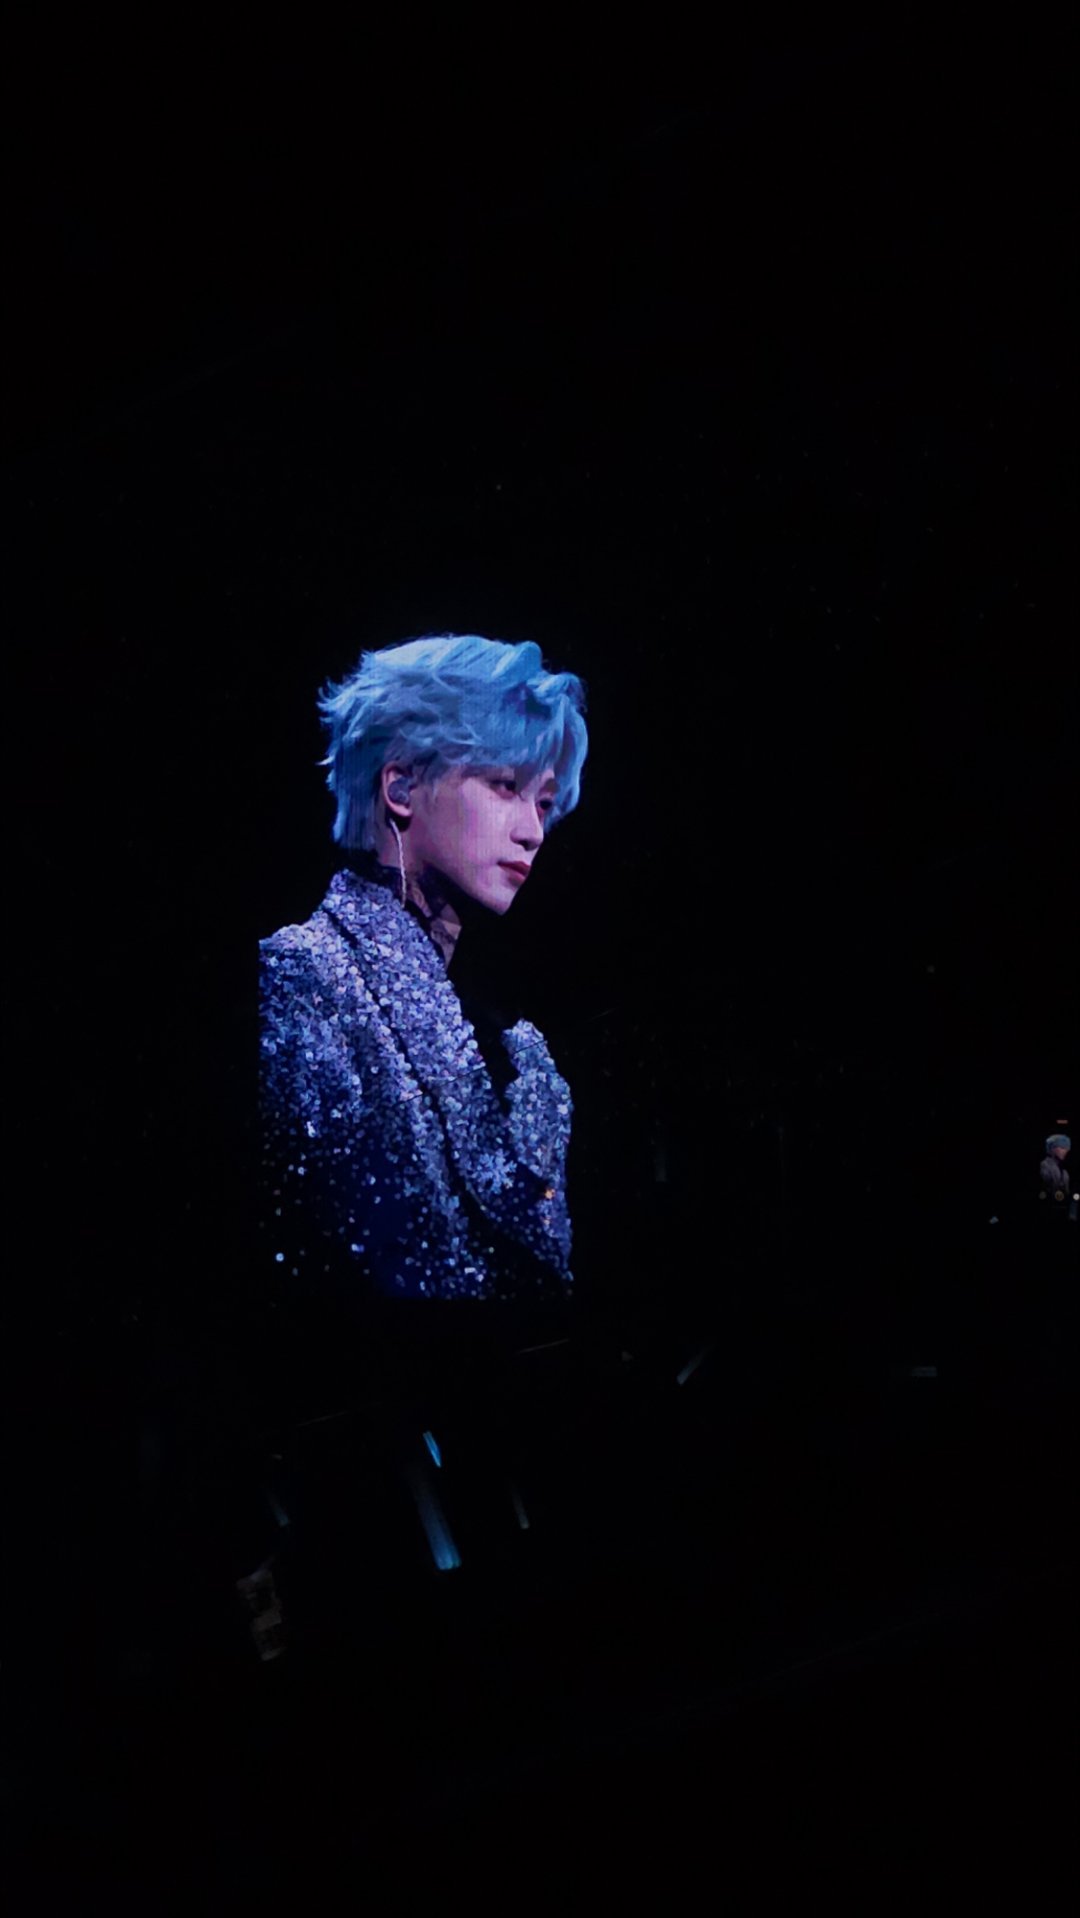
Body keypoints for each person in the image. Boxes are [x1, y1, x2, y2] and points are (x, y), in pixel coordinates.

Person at [253, 635, 590, 1621]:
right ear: (401, 786)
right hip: (384, 1527)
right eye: (504, 786)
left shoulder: (515, 1043)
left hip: (510, 1497)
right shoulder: (302, 982)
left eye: (544, 801)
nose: (532, 828)